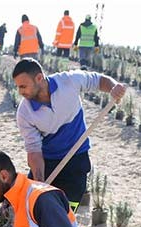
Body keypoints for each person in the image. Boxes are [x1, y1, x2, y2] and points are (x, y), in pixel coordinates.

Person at [12, 58, 125, 212]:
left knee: (65, 213)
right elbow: (34, 152)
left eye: (23, 86)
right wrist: (40, 185)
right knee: (32, 209)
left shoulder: (69, 82)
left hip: (76, 160)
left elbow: (98, 80)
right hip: (48, 161)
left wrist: (113, 87)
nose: (20, 92)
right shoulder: (25, 112)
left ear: (39, 78)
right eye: (18, 87)